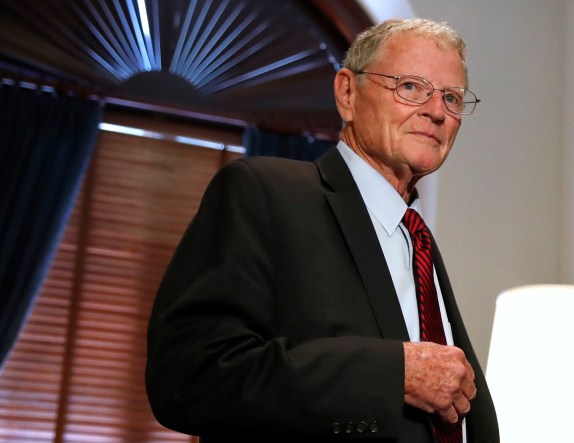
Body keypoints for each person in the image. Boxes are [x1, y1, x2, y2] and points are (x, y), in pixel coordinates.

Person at [145, 18, 499, 443]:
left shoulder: (418, 240)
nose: (437, 111)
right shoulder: (265, 193)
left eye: (452, 97)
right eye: (410, 86)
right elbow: (188, 376)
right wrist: (392, 374)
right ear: (347, 93)